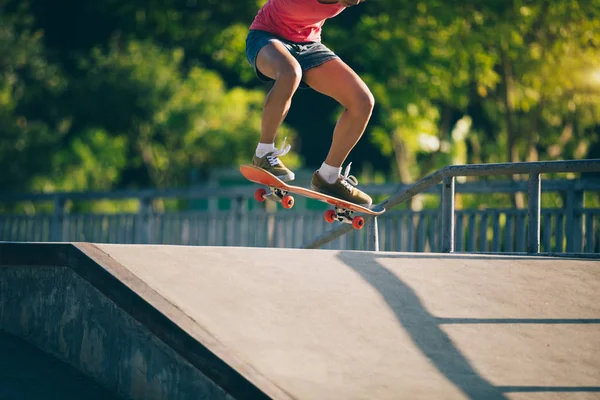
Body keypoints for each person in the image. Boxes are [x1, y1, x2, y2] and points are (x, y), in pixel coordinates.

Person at [245, 0, 374, 207]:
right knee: (289, 73)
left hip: (310, 46)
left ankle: (329, 176)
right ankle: (263, 153)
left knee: (362, 101)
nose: (357, 2)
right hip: (266, 37)